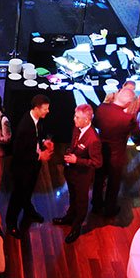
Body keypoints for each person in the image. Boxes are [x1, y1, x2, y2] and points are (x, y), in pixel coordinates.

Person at [6, 95, 54, 237]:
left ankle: (28, 210)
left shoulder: (37, 119)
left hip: (32, 166)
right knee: (18, 195)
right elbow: (19, 153)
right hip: (22, 169)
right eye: (45, 109)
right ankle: (11, 222)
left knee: (28, 190)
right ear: (36, 109)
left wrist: (44, 142)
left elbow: (37, 136)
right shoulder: (24, 127)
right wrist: (40, 156)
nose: (48, 111)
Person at [56, 104, 102, 244]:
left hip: (82, 177)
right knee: (73, 197)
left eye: (77, 117)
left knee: (81, 202)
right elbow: (74, 144)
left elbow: (97, 163)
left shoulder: (93, 140)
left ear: (87, 120)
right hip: (71, 172)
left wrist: (77, 160)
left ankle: (76, 228)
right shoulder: (77, 128)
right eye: (75, 116)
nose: (74, 119)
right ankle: (70, 217)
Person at [93, 87, 139, 217]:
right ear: (129, 103)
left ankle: (96, 205)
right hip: (116, 156)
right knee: (113, 183)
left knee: (99, 178)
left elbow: (95, 123)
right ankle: (109, 209)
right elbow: (135, 131)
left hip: (101, 150)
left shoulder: (102, 108)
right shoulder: (127, 118)